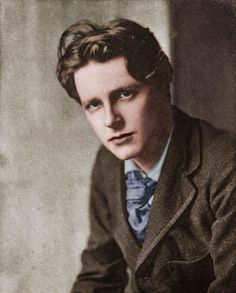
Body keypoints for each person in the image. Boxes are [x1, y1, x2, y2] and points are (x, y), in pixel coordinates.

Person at [56, 18, 236, 293]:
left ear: (162, 86)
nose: (110, 120)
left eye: (125, 94)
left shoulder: (226, 166)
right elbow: (98, 278)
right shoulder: (108, 163)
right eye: (93, 104)